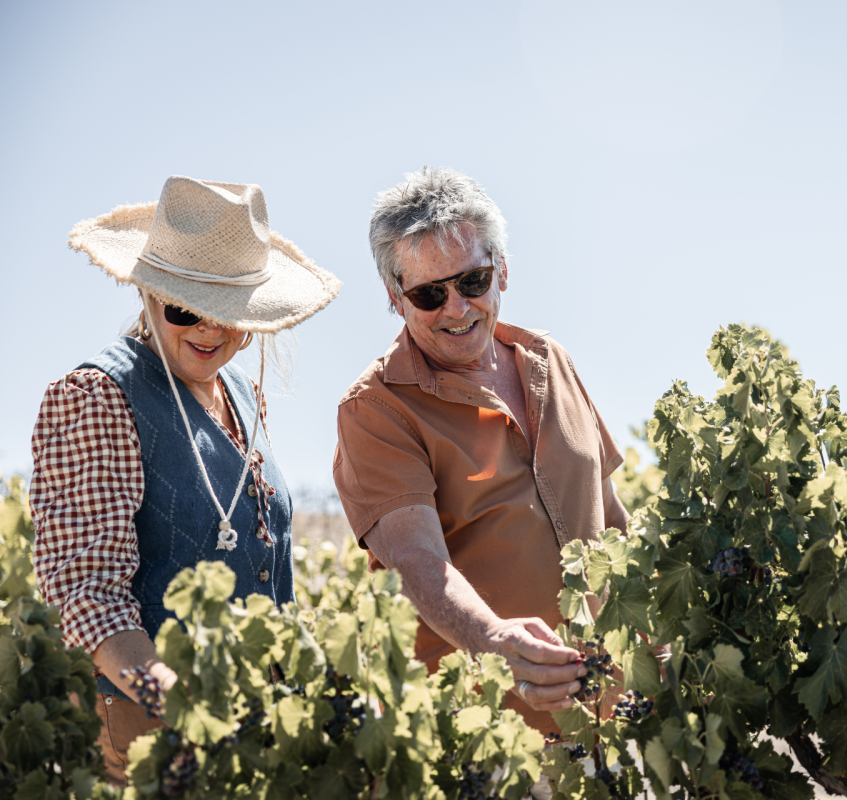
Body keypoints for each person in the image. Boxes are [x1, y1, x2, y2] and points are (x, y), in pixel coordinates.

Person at [30, 175, 340, 785]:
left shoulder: (246, 398)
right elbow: (89, 598)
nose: (208, 329)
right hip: (152, 733)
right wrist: (185, 708)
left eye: (229, 313)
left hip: (253, 728)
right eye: (185, 308)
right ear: (147, 292)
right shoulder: (98, 397)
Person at [333, 167, 629, 736]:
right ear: (396, 299)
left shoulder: (553, 361)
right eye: (428, 294)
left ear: (502, 274)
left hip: (608, 720)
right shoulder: (375, 410)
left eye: (472, 281)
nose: (455, 308)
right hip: (487, 740)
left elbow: (610, 517)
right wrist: (493, 638)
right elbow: (416, 561)